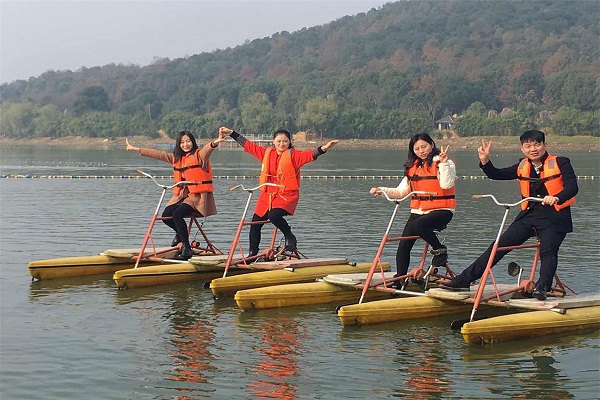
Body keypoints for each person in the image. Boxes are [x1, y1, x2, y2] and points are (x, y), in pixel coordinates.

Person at [441, 130, 578, 300]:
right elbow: (497, 174)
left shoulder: (561, 162)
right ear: (522, 149)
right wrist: (485, 161)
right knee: (498, 247)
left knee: (548, 251)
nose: (533, 149)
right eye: (528, 146)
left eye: (537, 144)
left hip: (554, 216)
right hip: (528, 215)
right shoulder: (522, 165)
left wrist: (557, 197)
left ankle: (542, 287)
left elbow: (572, 187)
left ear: (545, 145)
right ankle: (464, 279)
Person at [218, 126, 339, 257]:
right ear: (273, 142)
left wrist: (324, 148)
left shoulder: (294, 156)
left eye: (285, 141)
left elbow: (310, 155)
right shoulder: (265, 153)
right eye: (279, 141)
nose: (282, 144)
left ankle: (290, 236)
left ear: (289, 142)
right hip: (266, 197)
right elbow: (248, 144)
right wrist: (231, 133)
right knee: (254, 224)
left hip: (286, 196)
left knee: (273, 216)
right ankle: (252, 254)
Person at [370, 133, 456, 287]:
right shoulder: (413, 168)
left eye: (424, 146)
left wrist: (444, 164)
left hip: (442, 210)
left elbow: (446, 184)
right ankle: (400, 279)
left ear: (431, 144)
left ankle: (440, 250)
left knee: (419, 225)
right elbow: (401, 192)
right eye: (416, 148)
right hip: (418, 211)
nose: (421, 151)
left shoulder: (444, 162)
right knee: (404, 245)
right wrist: (381, 190)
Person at [125, 130, 227, 260]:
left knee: (177, 214)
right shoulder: (177, 159)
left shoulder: (199, 156)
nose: (186, 144)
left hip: (197, 199)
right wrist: (136, 148)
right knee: (166, 215)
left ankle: (186, 246)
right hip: (183, 197)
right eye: (182, 142)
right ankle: (180, 235)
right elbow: (159, 154)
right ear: (178, 144)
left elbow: (208, 149)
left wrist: (216, 141)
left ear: (193, 142)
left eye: (188, 141)